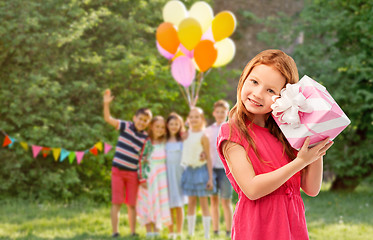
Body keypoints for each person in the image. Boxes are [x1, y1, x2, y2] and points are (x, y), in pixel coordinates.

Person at [217, 49, 334, 239]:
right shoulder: (232, 131)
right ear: (244, 78)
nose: (257, 93)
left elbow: (311, 189)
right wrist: (300, 162)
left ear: (284, 97)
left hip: (292, 227)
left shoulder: (288, 133)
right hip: (258, 228)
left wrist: (314, 135)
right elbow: (252, 189)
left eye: (270, 90)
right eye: (254, 82)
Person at [103, 89, 152, 238]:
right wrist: (106, 104)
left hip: (132, 173)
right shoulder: (125, 126)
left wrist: (143, 176)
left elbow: (144, 158)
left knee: (131, 204)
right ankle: (115, 232)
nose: (142, 122)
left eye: (145, 121)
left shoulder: (145, 138)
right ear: (134, 118)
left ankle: (132, 231)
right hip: (118, 171)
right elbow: (108, 119)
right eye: (140, 119)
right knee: (116, 202)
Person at [181, 107, 213, 239]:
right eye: (191, 117)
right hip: (188, 171)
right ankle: (190, 233)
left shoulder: (203, 136)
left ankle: (206, 234)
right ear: (188, 120)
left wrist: (210, 178)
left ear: (202, 119)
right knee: (191, 202)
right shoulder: (185, 134)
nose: (194, 119)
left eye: (197, 117)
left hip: (201, 171)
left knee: (204, 202)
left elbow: (209, 157)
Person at [137, 116, 172, 238]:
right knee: (148, 201)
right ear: (151, 127)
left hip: (161, 178)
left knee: (159, 202)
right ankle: (149, 231)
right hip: (149, 176)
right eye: (157, 126)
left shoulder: (165, 142)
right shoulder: (147, 142)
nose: (159, 129)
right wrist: (142, 178)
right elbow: (142, 160)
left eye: (162, 127)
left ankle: (157, 230)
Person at [205, 100, 233, 237]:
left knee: (226, 200)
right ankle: (215, 230)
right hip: (212, 170)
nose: (220, 114)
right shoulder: (208, 131)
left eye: (223, 112)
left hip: (226, 170)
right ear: (214, 113)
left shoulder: (231, 128)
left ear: (227, 113)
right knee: (214, 200)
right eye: (218, 112)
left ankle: (229, 230)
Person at [165, 113, 187, 239]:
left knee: (179, 204)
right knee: (168, 205)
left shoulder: (182, 140)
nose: (173, 126)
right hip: (167, 175)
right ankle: (171, 231)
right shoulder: (164, 140)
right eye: (171, 124)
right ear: (167, 125)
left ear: (180, 125)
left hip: (180, 175)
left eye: (176, 124)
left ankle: (179, 232)